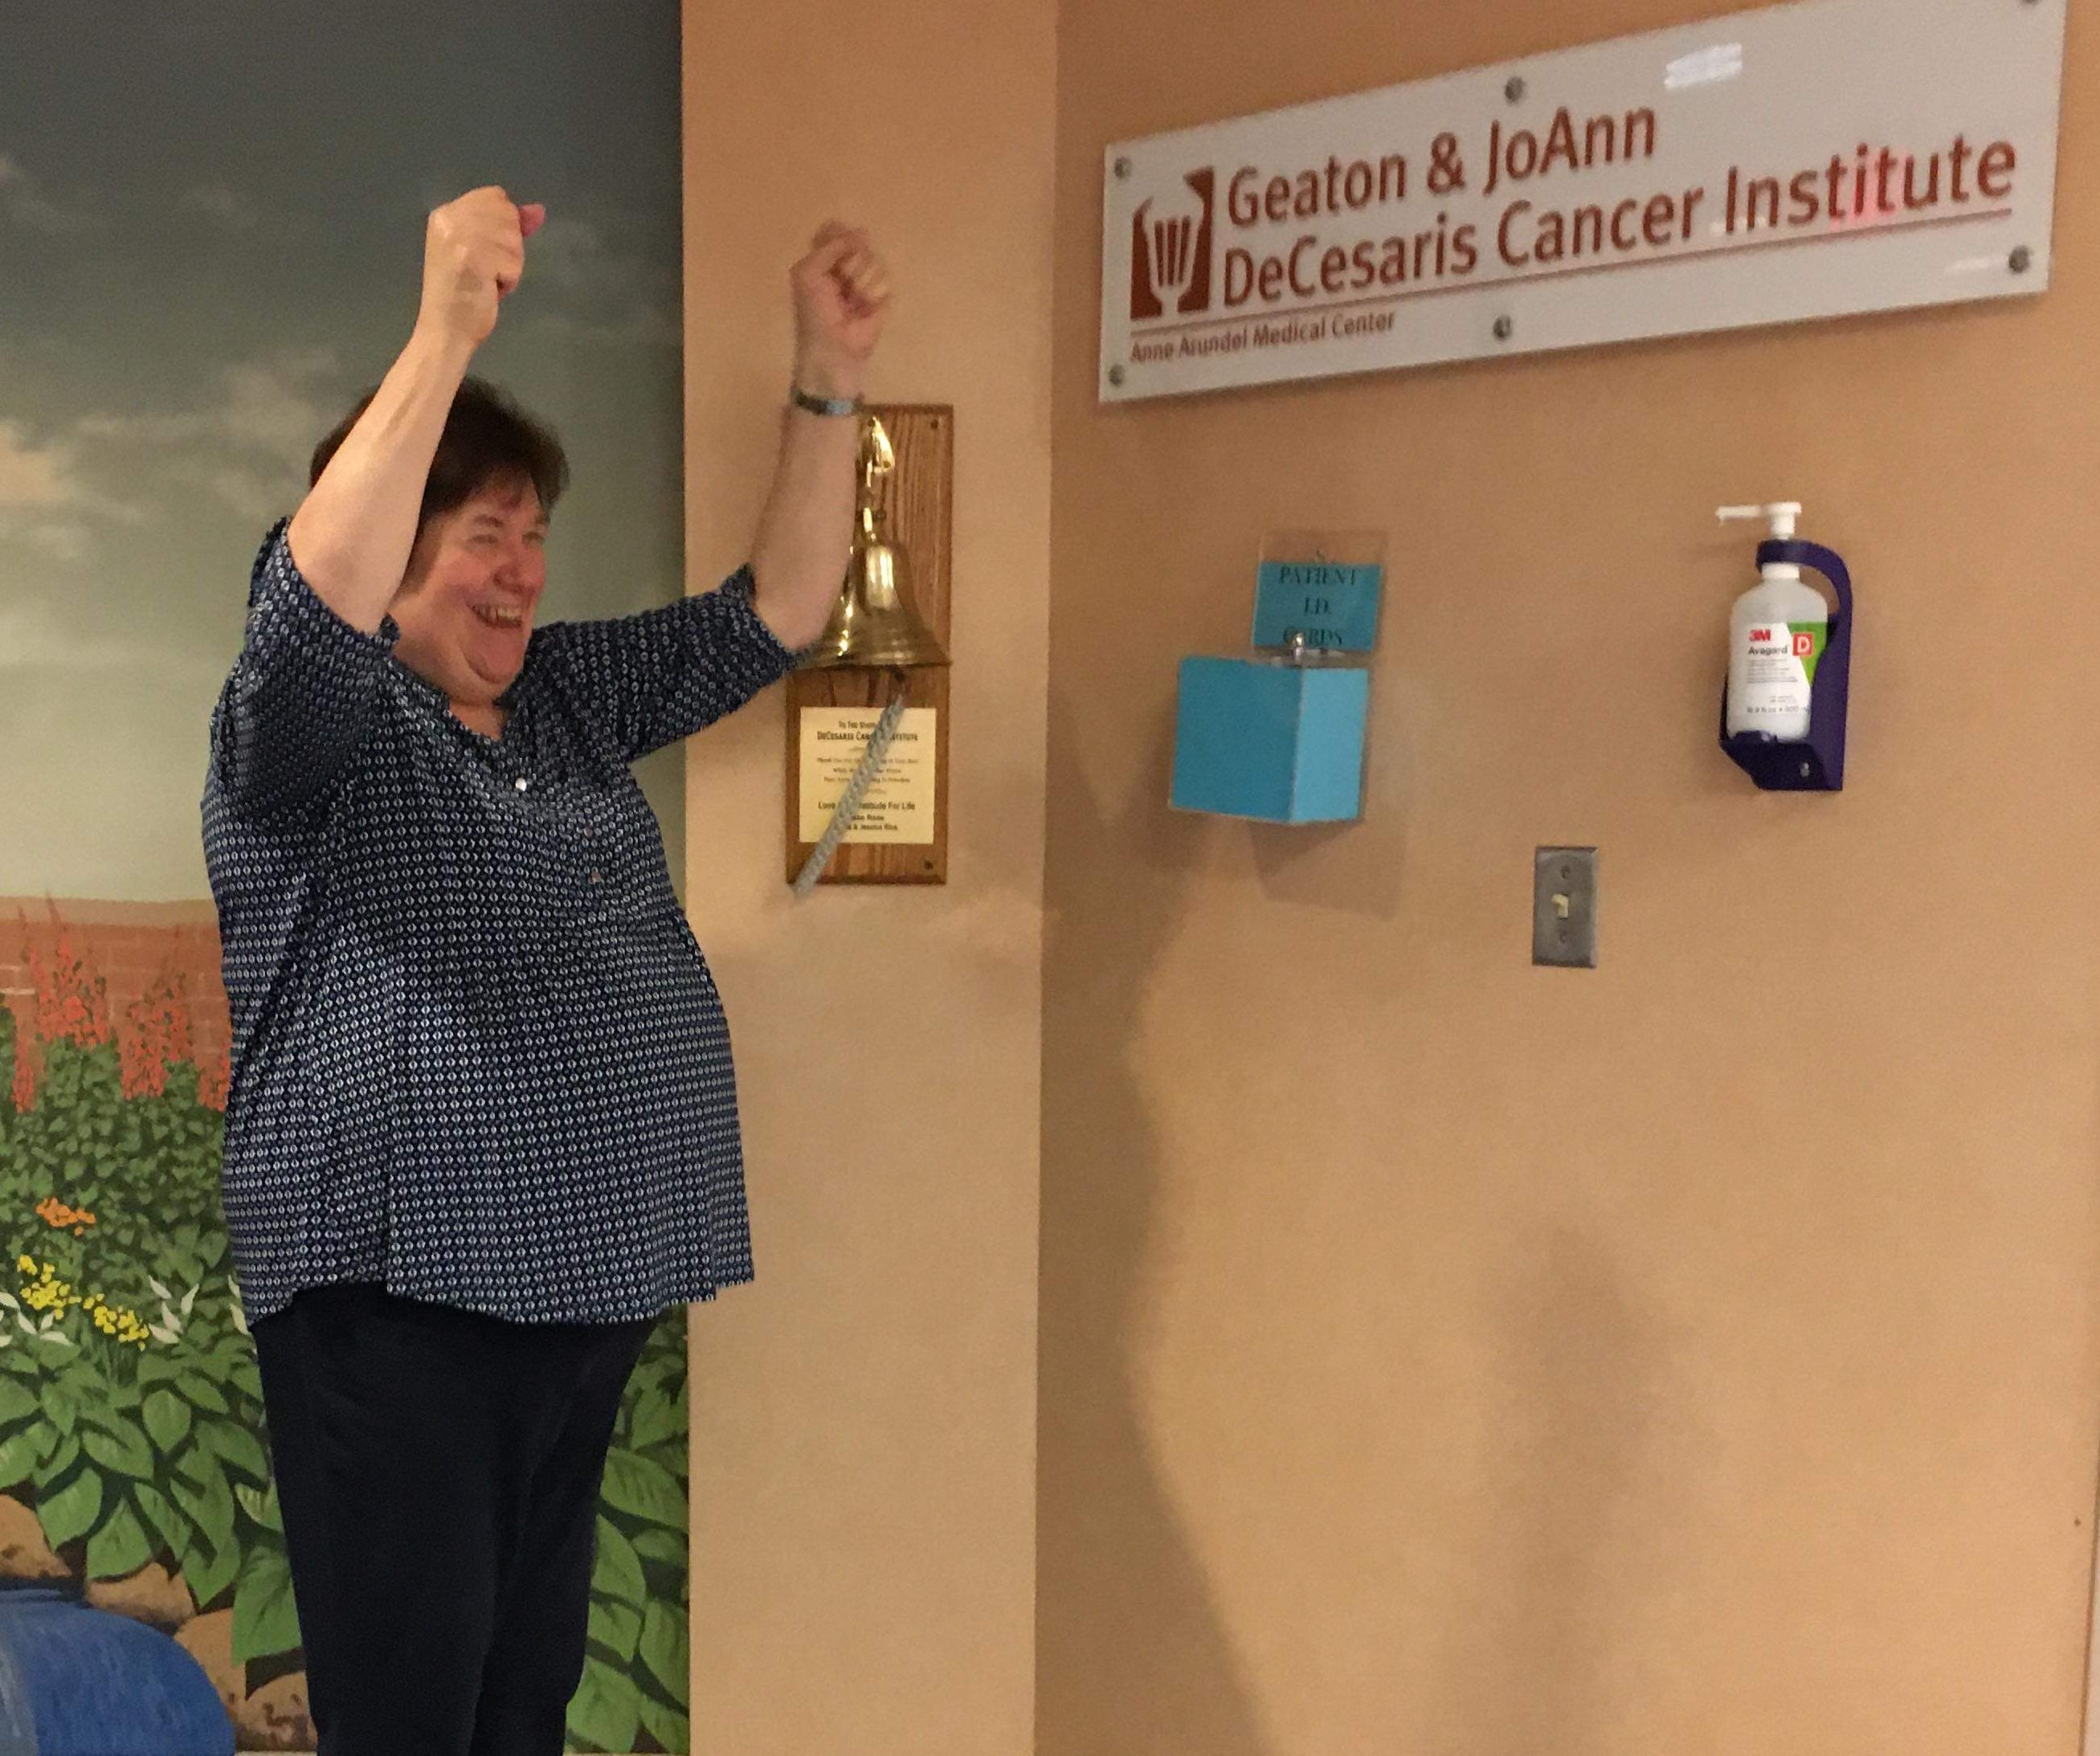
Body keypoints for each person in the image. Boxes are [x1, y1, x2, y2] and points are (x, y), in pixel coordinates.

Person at [200, 186, 890, 1754]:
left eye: (532, 536)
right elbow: (308, 609)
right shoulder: (314, 731)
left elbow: (779, 611)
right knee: (414, 1713)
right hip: (399, 1303)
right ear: (394, 555)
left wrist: (827, 377)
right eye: (481, 536)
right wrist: (446, 332)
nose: (520, 570)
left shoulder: (564, 694)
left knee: (520, 1701)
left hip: (581, 1283)